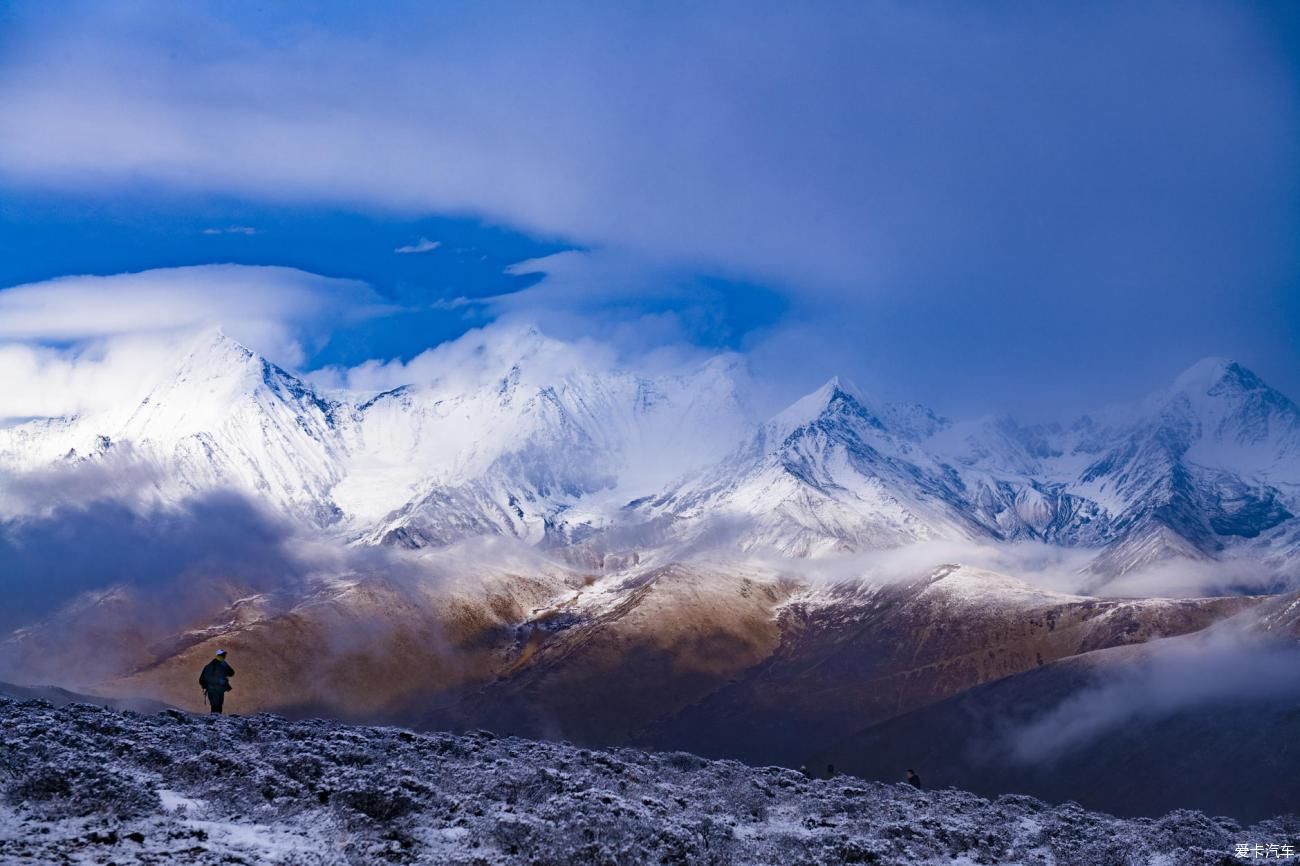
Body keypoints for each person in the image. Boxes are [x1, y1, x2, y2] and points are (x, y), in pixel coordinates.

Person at [199, 649, 235, 714]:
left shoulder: (222, 664)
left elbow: (231, 673)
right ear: (218, 655)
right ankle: (214, 722)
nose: (224, 656)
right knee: (215, 708)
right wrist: (219, 681)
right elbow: (208, 678)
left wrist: (226, 665)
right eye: (223, 655)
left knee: (219, 707)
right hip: (212, 690)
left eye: (224, 655)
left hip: (219, 690)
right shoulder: (211, 665)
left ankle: (216, 722)